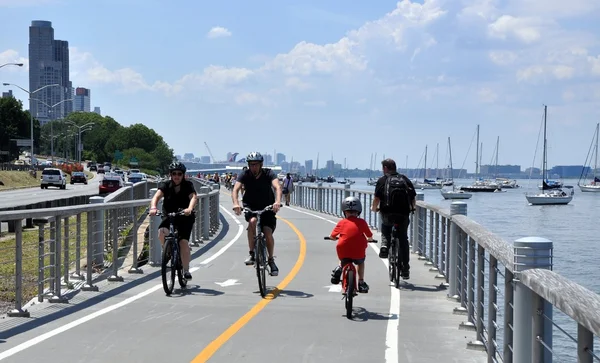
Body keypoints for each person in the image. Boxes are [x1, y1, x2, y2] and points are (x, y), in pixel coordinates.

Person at [232, 152, 282, 276]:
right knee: (252, 222)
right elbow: (236, 189)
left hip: (268, 207)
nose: (253, 167)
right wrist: (236, 203)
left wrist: (277, 201)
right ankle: (252, 253)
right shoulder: (245, 174)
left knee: (268, 232)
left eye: (256, 165)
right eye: (251, 165)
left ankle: (270, 260)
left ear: (261, 164)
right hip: (251, 206)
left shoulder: (268, 173)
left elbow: (277, 187)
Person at [149, 161, 197, 280]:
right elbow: (156, 196)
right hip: (169, 215)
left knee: (183, 242)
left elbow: (193, 197)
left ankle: (186, 270)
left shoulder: (188, 185)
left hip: (184, 217)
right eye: (174, 173)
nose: (176, 176)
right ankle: (168, 251)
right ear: (170, 174)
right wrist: (154, 207)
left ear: (183, 175)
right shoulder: (166, 185)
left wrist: (190, 209)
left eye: (179, 174)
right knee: (161, 232)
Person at [371, 158, 416, 280]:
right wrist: (412, 208)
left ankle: (385, 245)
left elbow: (376, 199)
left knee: (385, 227)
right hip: (403, 214)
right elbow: (413, 197)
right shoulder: (404, 179)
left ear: (385, 168)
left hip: (387, 214)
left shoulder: (382, 180)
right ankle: (405, 269)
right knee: (403, 239)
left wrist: (374, 209)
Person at [329, 196, 374, 293]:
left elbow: (332, 236)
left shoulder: (342, 222)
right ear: (358, 212)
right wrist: (370, 239)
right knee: (361, 262)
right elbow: (369, 235)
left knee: (342, 257)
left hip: (343, 249)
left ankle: (339, 268)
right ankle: (361, 282)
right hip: (358, 251)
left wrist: (333, 238)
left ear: (344, 212)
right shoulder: (362, 222)